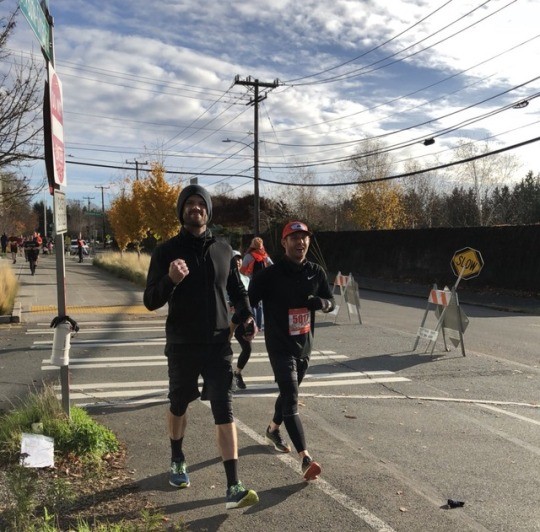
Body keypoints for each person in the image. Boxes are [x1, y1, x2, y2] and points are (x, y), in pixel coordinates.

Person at [143, 184, 259, 510]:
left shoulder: (223, 250)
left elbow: (237, 291)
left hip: (219, 344)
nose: (196, 208)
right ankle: (177, 457)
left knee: (225, 409)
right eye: (189, 204)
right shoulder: (166, 251)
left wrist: (247, 316)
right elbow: (150, 300)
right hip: (182, 344)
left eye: (201, 204)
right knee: (179, 404)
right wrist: (170, 280)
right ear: (182, 211)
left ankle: (233, 486)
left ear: (208, 211)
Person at [249, 221, 335, 481]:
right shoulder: (270, 275)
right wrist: (245, 319)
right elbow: (248, 299)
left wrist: (322, 303)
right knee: (291, 397)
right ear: (284, 242)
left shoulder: (316, 272)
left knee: (288, 392)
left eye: (304, 237)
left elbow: (331, 302)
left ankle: (273, 429)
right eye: (294, 237)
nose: (301, 242)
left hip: (304, 346)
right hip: (279, 346)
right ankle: (305, 459)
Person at [230, 250, 252, 390]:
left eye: (239, 259)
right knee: (223, 350)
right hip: (226, 319)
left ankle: (237, 373)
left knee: (247, 348)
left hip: (241, 318)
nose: (237, 261)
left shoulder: (246, 278)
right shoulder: (223, 277)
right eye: (234, 259)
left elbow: (247, 298)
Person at [240, 237, 273, 329]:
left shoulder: (249, 256)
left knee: (252, 303)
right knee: (260, 304)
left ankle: (254, 324)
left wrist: (248, 274)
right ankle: (259, 326)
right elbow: (272, 267)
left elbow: (242, 270)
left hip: (253, 281)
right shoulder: (265, 255)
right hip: (264, 282)